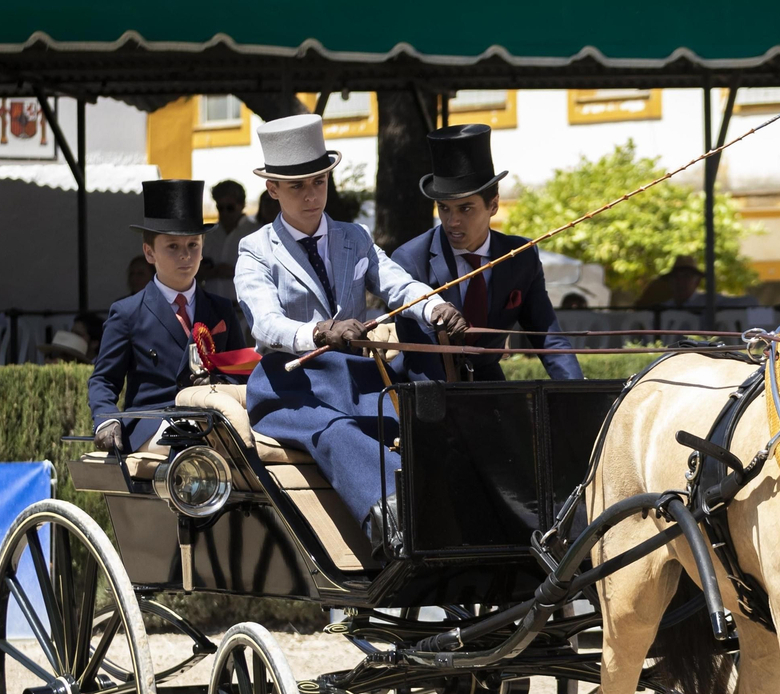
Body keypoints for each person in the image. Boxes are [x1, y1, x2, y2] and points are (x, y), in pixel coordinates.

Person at [235, 113, 468, 550]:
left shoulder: (354, 237)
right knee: (338, 433)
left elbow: (398, 284)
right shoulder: (254, 249)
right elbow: (265, 322)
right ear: (273, 189)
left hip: (356, 383)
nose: (310, 195)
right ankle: (399, 531)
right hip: (289, 386)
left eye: (318, 182)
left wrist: (436, 307)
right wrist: (321, 332)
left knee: (425, 427)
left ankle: (456, 527)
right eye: (297, 186)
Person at [391, 124, 582, 382]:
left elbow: (548, 339)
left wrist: (578, 395)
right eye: (444, 208)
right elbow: (420, 355)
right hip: (422, 388)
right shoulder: (410, 259)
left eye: (465, 209)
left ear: (493, 205)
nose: (452, 221)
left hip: (488, 385)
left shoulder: (521, 257)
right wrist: (450, 410)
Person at [89, 179, 251, 454]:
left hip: (213, 418)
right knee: (193, 448)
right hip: (153, 424)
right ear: (149, 252)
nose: (185, 256)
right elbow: (104, 380)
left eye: (193, 245)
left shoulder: (222, 309)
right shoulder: (128, 312)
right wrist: (106, 420)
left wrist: (219, 384)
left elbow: (241, 373)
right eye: (172, 247)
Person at [201, 179, 260, 302]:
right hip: (212, 307)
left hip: (245, 311)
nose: (224, 213)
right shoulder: (209, 234)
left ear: (242, 205)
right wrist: (212, 272)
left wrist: (234, 272)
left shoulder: (257, 233)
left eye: (230, 208)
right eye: (220, 207)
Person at [634, 255, 703, 309]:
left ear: (697, 281)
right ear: (670, 281)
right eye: (676, 277)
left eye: (686, 276)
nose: (680, 281)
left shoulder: (709, 305)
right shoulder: (663, 309)